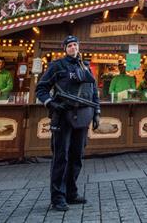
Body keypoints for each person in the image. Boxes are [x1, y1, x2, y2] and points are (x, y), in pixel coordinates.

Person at [35, 36, 100, 211]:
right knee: (61, 158)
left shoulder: (85, 67)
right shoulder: (57, 66)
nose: (73, 48)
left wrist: (97, 114)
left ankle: (71, 192)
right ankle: (58, 197)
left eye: (75, 45)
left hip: (83, 116)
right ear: (65, 48)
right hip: (63, 117)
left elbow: (94, 92)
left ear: (79, 47)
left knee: (77, 156)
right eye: (70, 46)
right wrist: (51, 103)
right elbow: (40, 88)